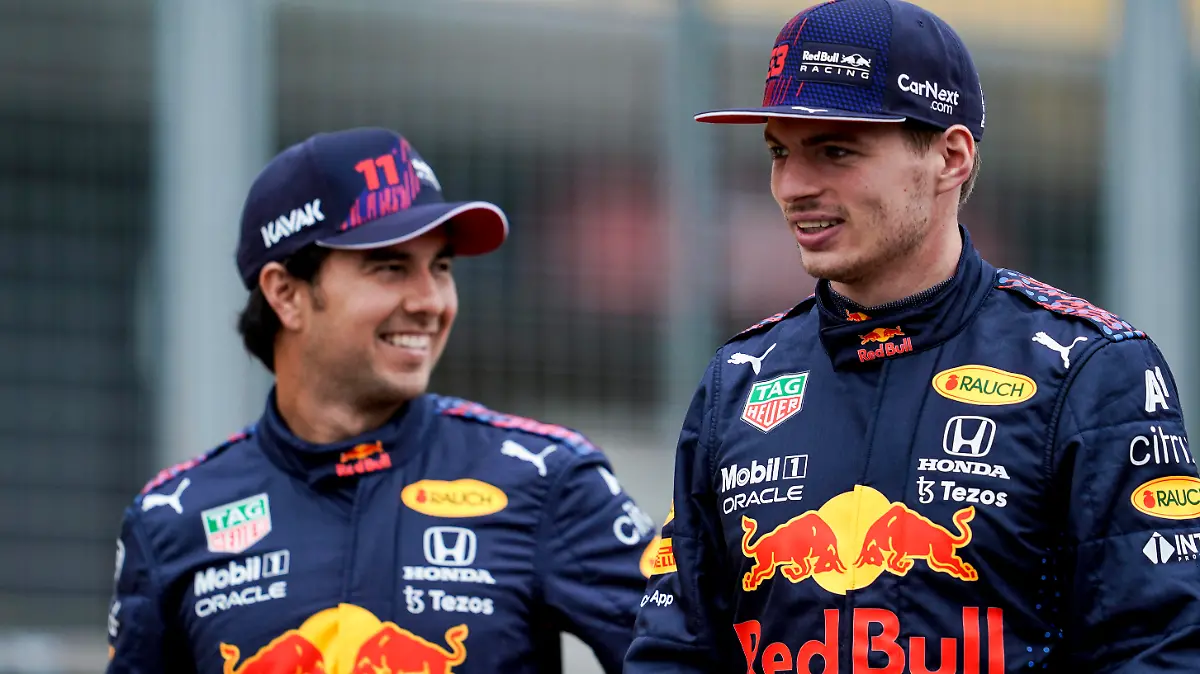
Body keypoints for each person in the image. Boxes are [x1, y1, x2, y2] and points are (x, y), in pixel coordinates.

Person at [624, 1, 1200, 671]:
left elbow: (1161, 651)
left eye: (835, 150)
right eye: (780, 152)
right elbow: (674, 652)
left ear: (951, 157)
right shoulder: (738, 380)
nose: (793, 186)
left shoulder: (1090, 369)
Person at [106, 127, 659, 673]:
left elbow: (686, 654)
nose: (430, 301)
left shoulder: (545, 480)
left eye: (441, 268)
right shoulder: (173, 519)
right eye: (390, 267)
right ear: (286, 294)